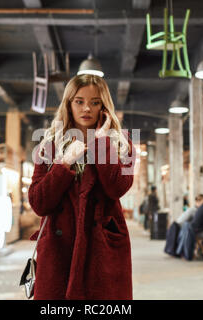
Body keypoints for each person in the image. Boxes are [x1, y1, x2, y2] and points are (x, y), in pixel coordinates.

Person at [28, 74, 136, 300]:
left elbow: (117, 188)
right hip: (59, 250)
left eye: (95, 102)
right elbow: (38, 202)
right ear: (69, 104)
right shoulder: (49, 145)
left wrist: (100, 141)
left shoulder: (122, 145)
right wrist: (64, 162)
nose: (87, 108)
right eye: (79, 101)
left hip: (101, 249)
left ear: (104, 107)